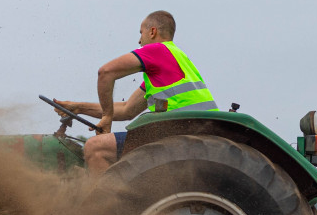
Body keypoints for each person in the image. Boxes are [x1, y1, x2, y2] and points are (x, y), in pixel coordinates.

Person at [55, 10, 218, 175]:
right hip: (198, 133)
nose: (139, 40)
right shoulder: (177, 60)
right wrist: (78, 108)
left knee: (96, 148)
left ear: (152, 32)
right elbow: (127, 109)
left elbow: (106, 72)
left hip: (181, 134)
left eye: (141, 33)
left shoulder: (158, 50)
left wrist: (106, 118)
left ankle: (109, 201)